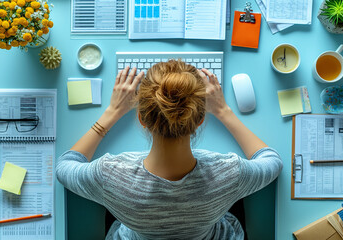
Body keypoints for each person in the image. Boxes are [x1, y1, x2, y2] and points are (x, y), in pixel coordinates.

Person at [56, 60, 283, 239]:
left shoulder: (110, 175)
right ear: (200, 119)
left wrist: (112, 112)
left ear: (141, 119)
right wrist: (223, 110)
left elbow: (65, 166)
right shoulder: (229, 173)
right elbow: (271, 160)